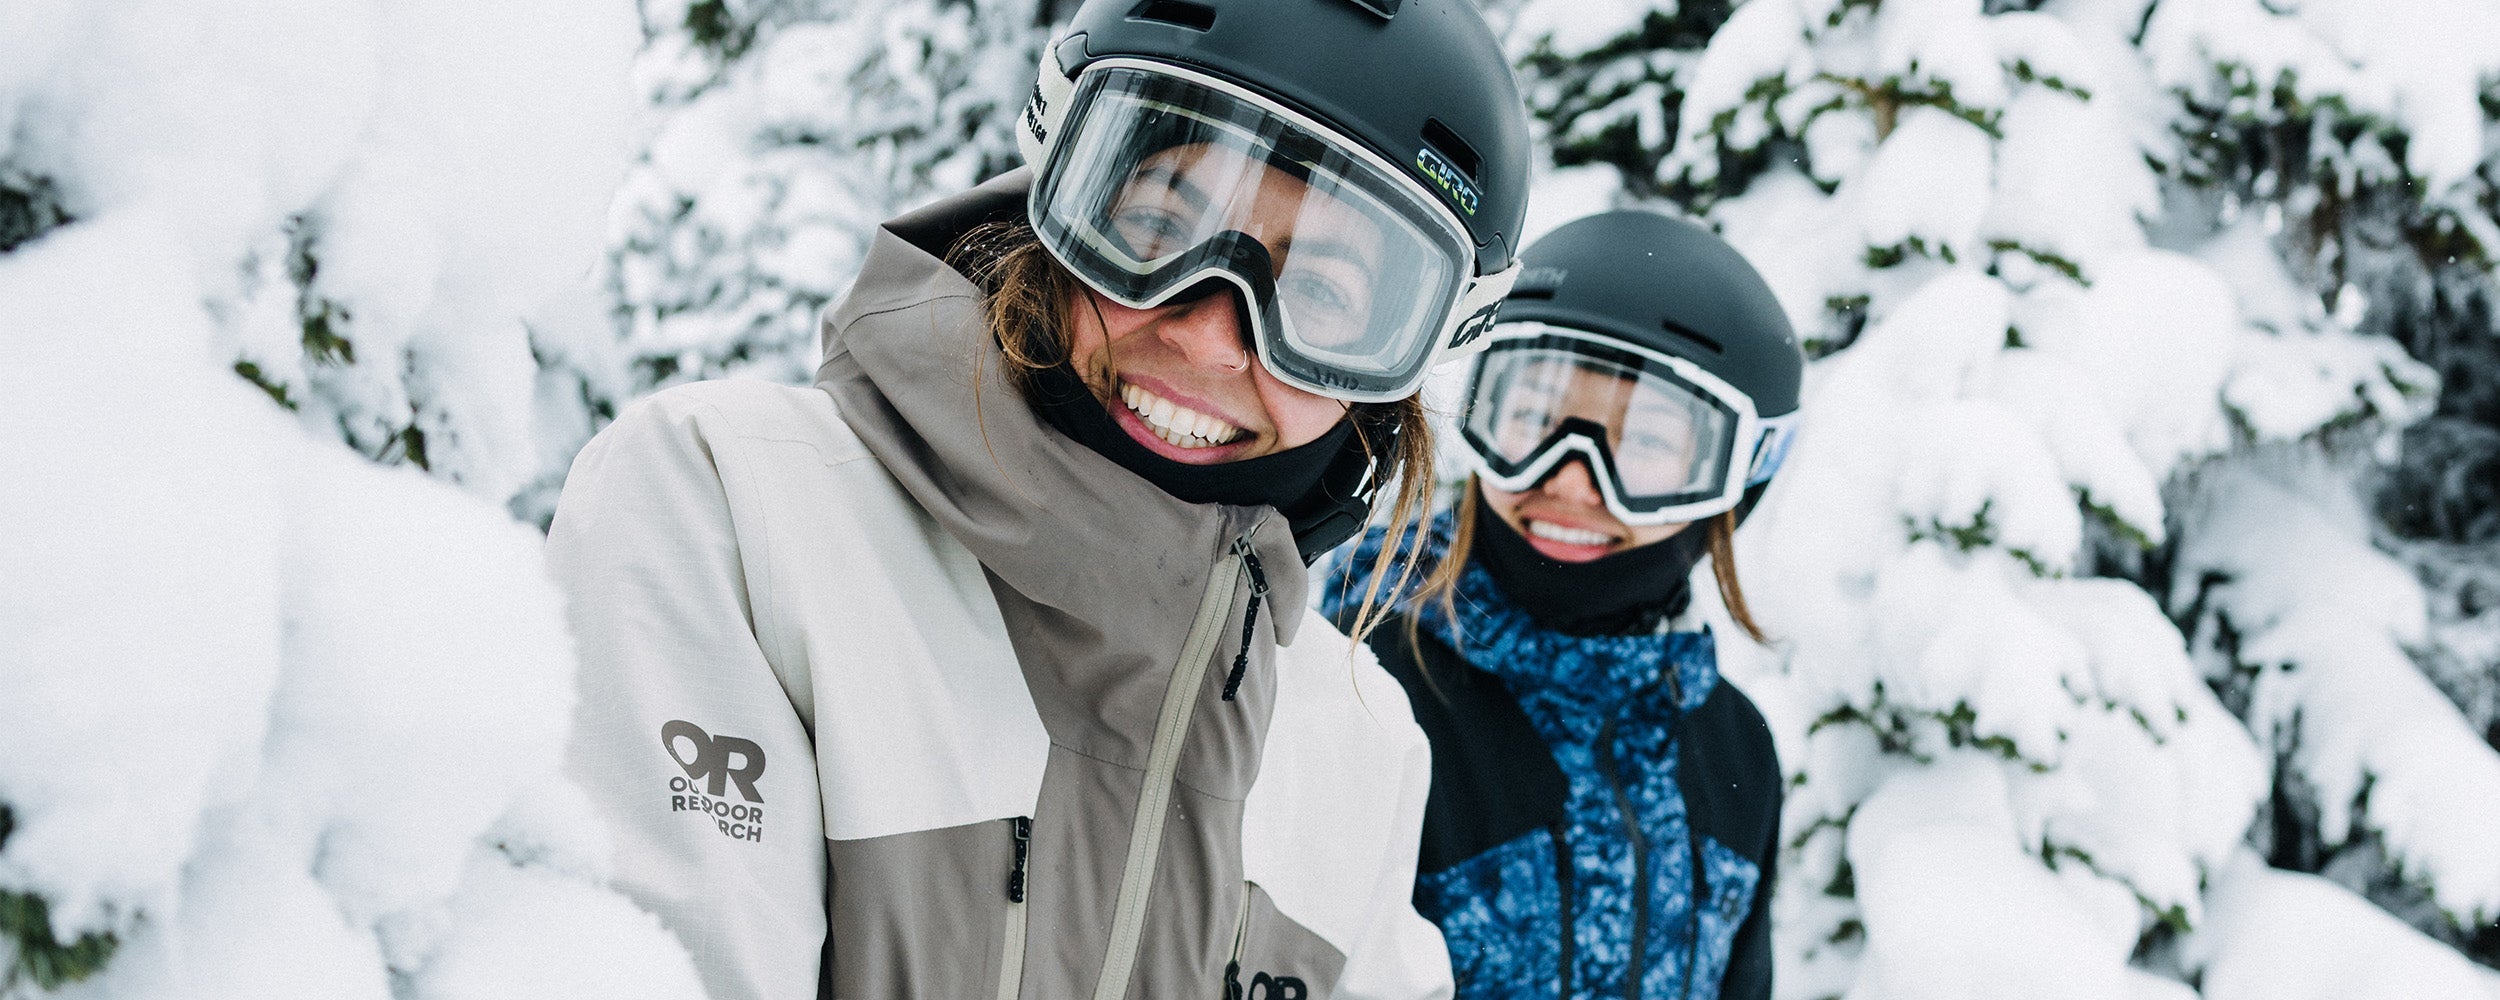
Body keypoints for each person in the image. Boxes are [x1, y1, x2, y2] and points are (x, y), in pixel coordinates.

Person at [545, 1, 1531, 998]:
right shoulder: (740, 510)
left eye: (1323, 296)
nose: (1208, 335)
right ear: (1059, 193)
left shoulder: (1358, 745)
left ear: (1405, 361)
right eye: (1161, 222)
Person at [1321, 210, 1805, 1000]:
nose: (1572, 482)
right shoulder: (1361, 684)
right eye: (1534, 420)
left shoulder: (1734, 751)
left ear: (1733, 482)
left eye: (1647, 445)